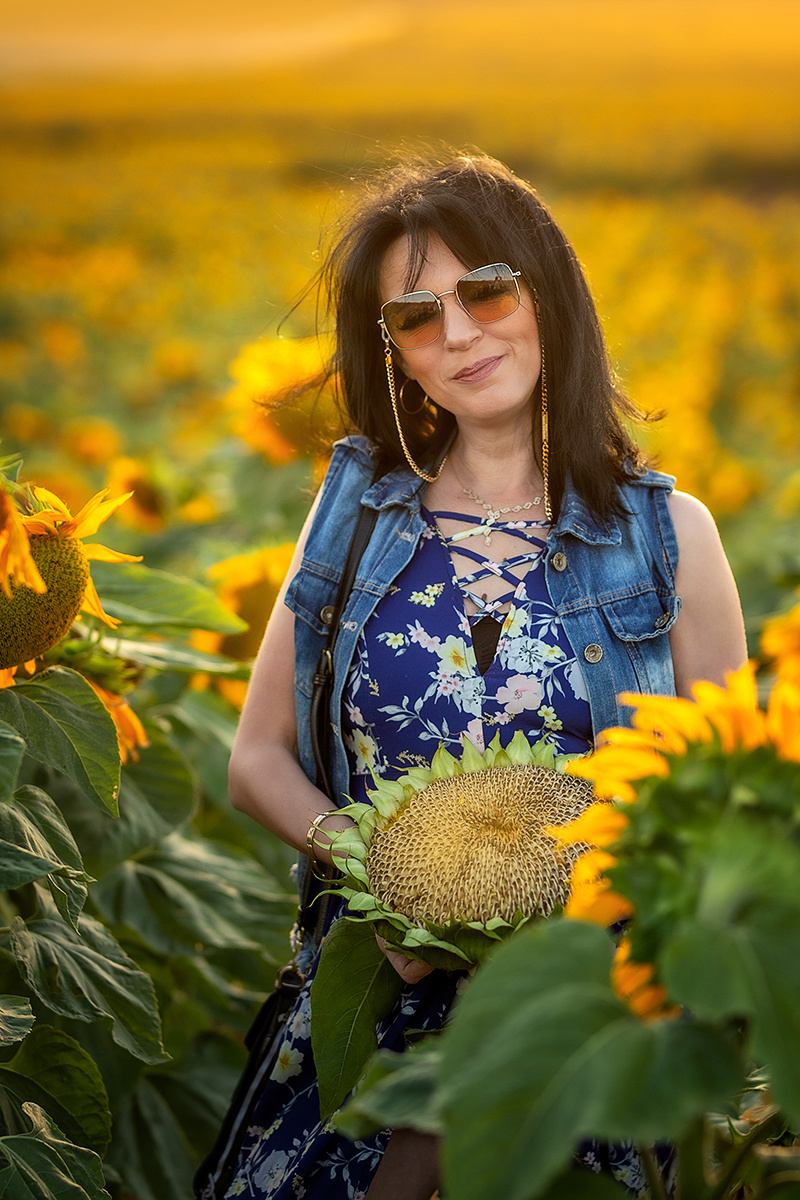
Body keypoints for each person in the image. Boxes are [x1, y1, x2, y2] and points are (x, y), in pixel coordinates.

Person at [223, 153, 747, 1200]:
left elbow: (723, 805)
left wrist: (566, 914)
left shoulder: (665, 537)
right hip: (372, 1007)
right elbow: (256, 759)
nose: (457, 334)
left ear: (545, 292)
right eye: (415, 317)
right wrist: (385, 876)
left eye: (484, 291)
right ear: (397, 358)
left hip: (575, 1032)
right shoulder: (356, 517)